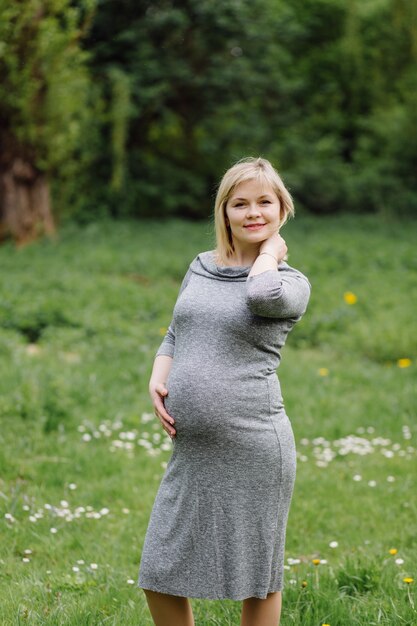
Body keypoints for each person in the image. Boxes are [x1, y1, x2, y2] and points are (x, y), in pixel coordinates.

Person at [137, 156, 311, 626]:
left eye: (264, 202)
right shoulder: (200, 267)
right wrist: (159, 373)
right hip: (193, 452)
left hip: (255, 445)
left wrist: (270, 255)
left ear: (282, 210)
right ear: (224, 212)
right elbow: (177, 329)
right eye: (240, 203)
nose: (253, 212)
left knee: (258, 577)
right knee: (159, 569)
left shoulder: (290, 283)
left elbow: (261, 297)